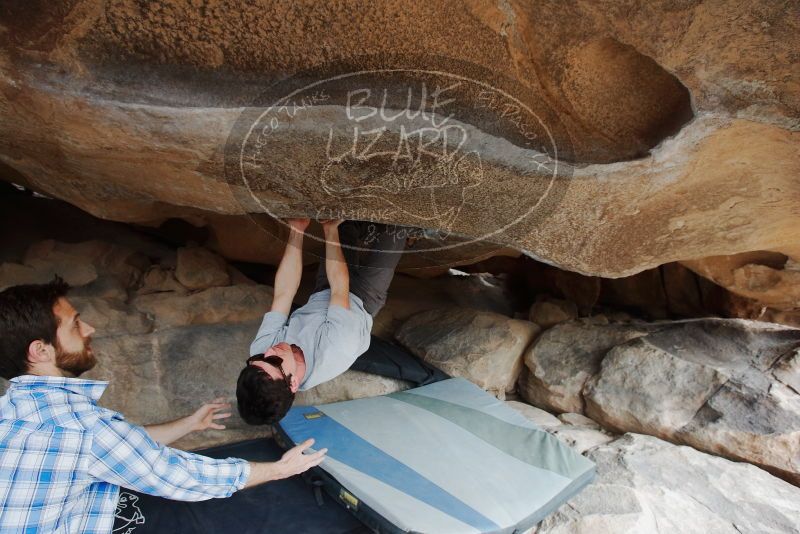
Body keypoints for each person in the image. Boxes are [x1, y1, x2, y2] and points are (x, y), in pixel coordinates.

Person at [0, 278, 326, 533]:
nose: (90, 329)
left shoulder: (13, 408)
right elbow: (177, 475)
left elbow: (115, 446)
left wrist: (188, 424)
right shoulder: (79, 427)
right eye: (74, 325)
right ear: (40, 351)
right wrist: (281, 469)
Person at [237, 218, 406, 425]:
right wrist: (329, 231)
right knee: (396, 228)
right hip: (362, 301)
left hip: (323, 293)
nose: (269, 351)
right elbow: (340, 288)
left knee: (345, 225)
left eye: (258, 358)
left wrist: (296, 230)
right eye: (273, 361)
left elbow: (283, 293)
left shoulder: (262, 352)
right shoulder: (335, 350)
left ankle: (360, 229)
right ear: (293, 384)